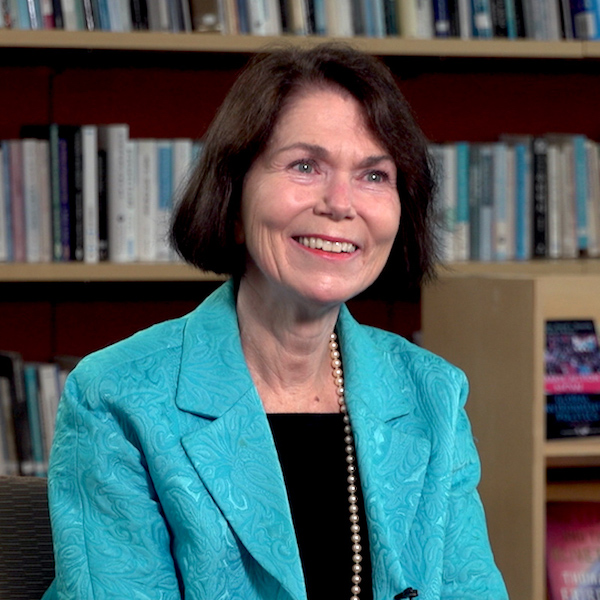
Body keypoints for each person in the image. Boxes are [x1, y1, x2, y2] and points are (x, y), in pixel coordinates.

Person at [43, 43, 508, 600]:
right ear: (234, 197)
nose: (341, 204)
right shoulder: (118, 398)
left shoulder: (433, 394)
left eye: (374, 175)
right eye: (305, 166)